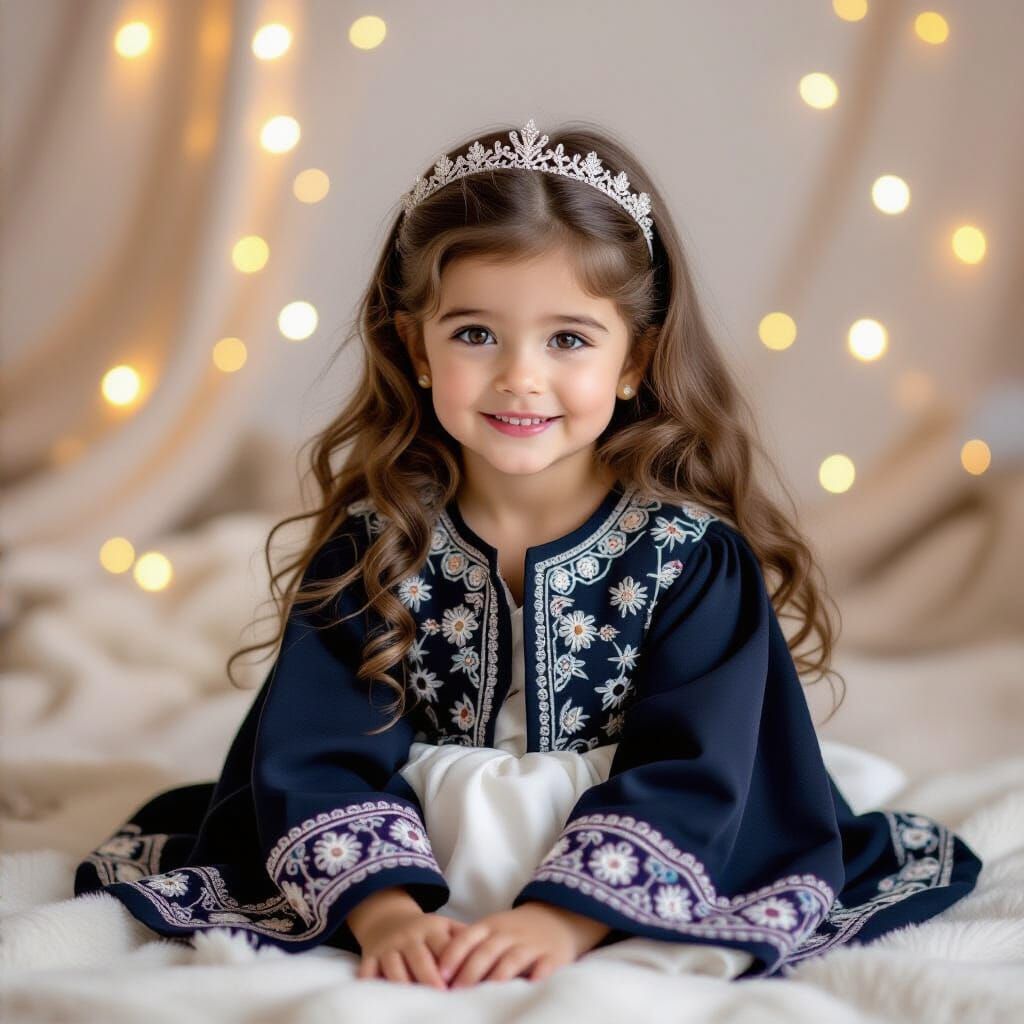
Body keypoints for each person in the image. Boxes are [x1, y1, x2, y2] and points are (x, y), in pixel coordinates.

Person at [74, 118, 983, 988]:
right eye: (475, 333)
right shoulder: (379, 543)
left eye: (568, 339)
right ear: (416, 348)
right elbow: (315, 746)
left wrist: (564, 920)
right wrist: (384, 914)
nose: (519, 375)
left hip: (634, 838)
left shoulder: (688, 556)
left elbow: (698, 766)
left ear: (634, 360)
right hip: (405, 844)